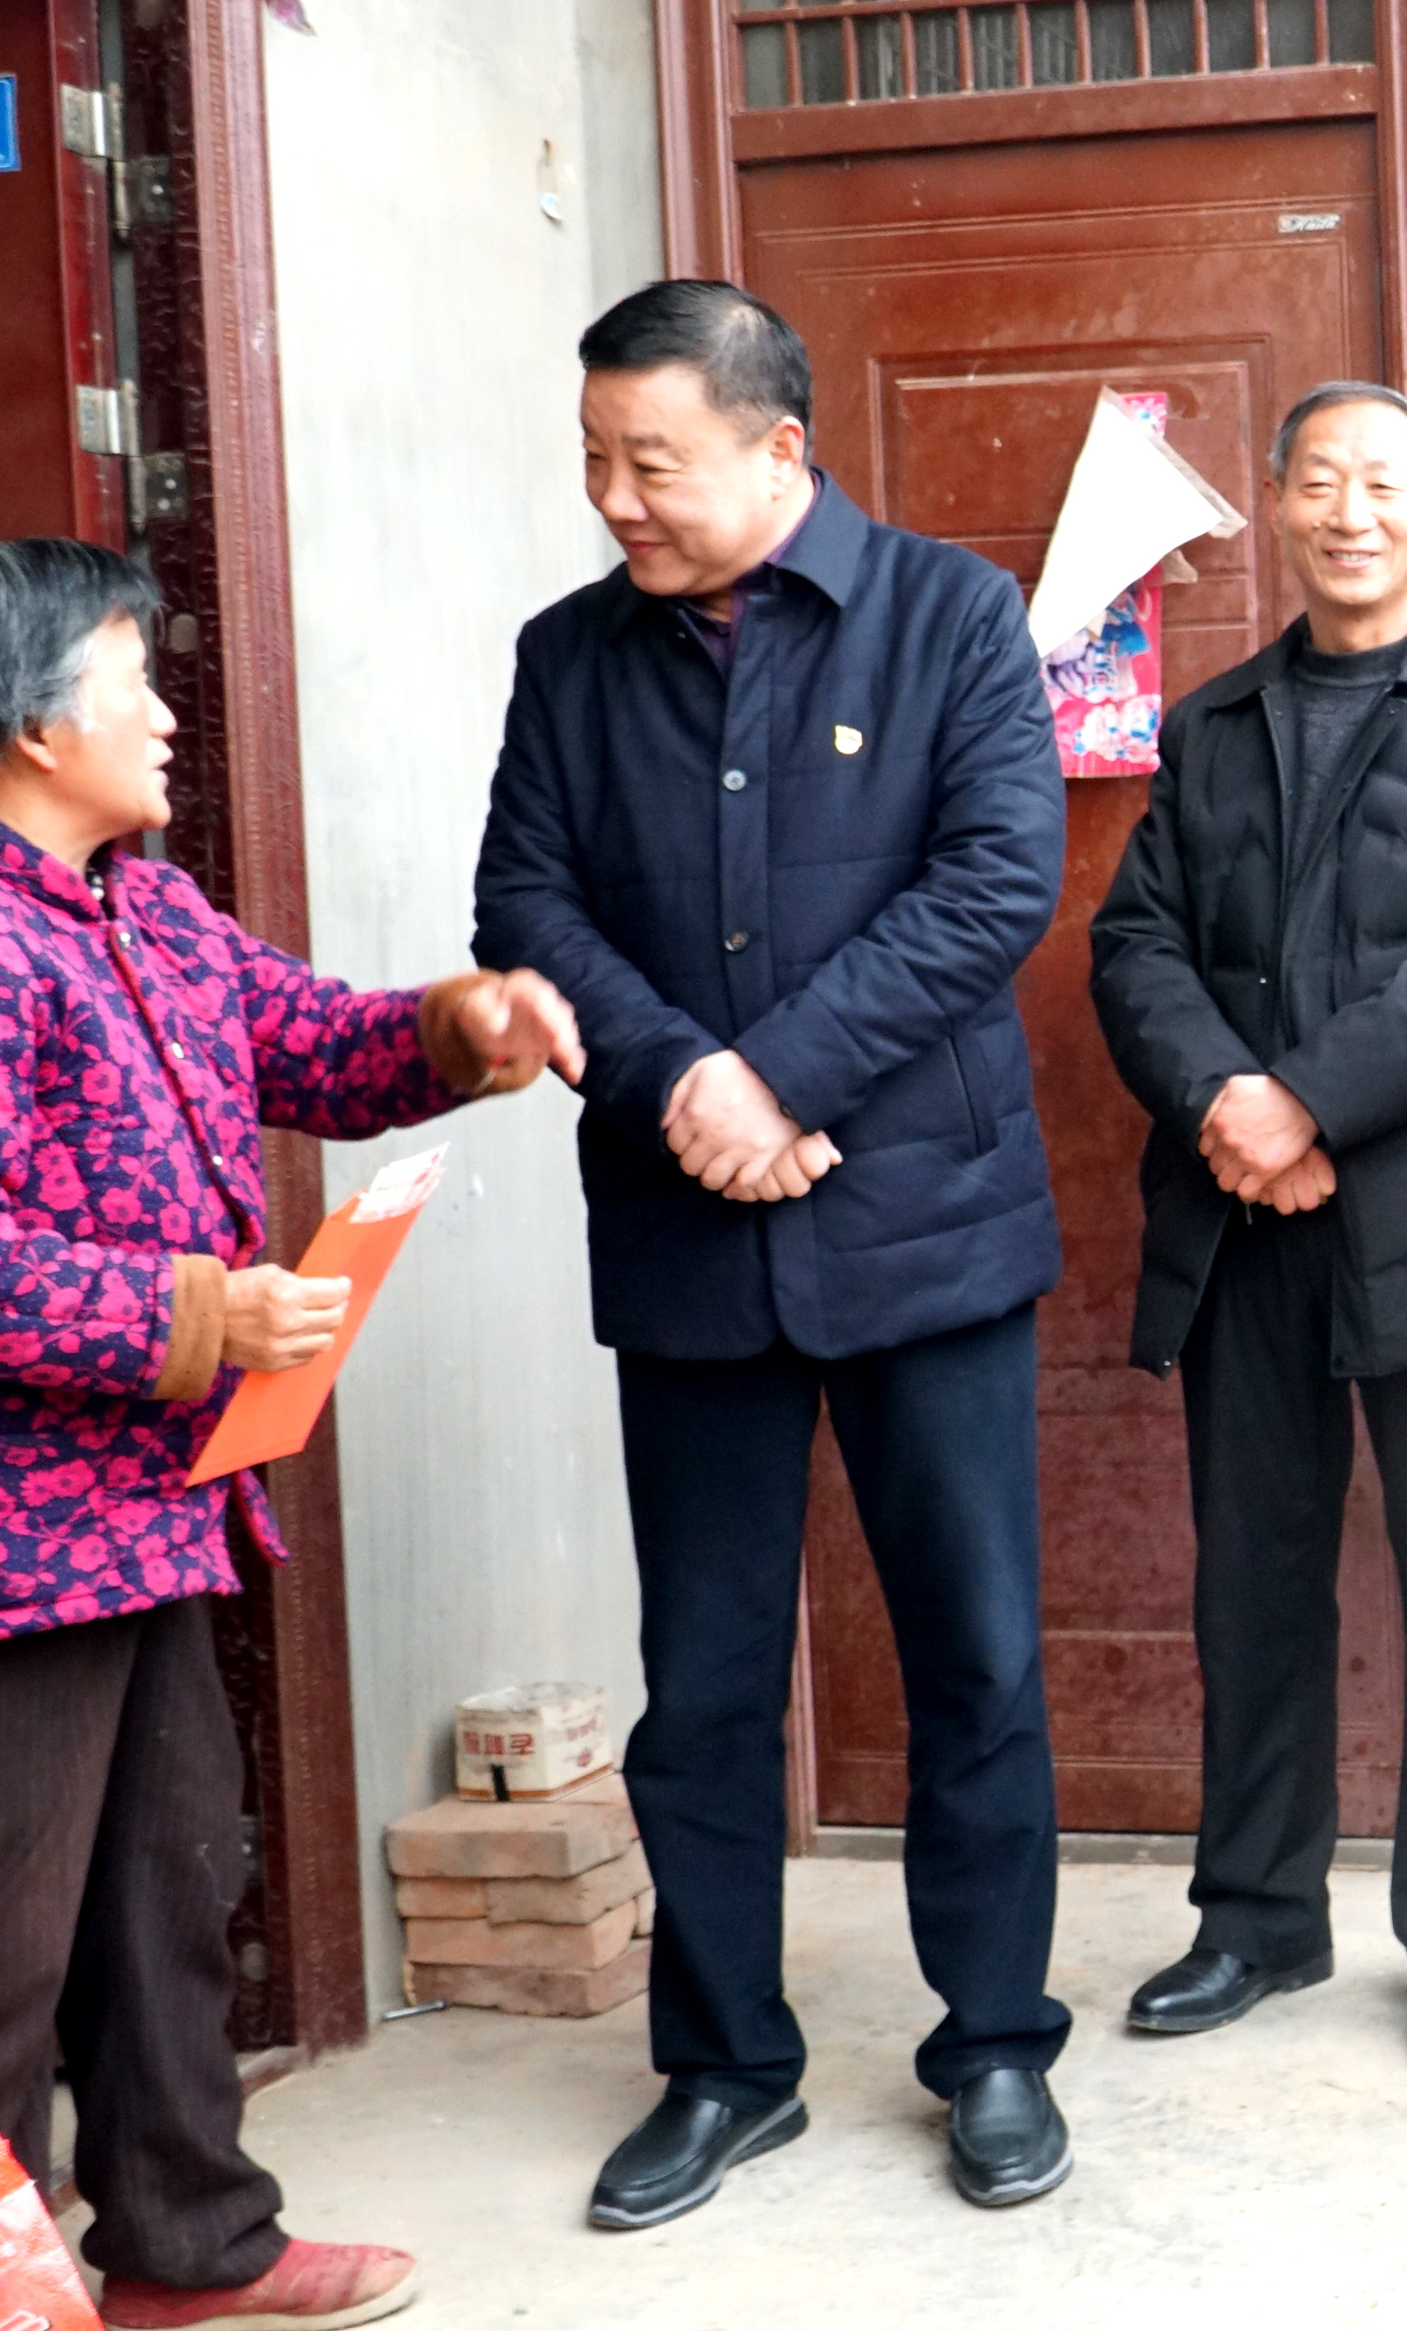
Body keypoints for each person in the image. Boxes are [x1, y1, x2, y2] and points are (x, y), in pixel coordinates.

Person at [0, 538, 581, 2331]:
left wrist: (459, 1027)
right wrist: (199, 1317)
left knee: (164, 1901)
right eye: (132, 678)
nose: (167, 713)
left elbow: (308, 1042)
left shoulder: (135, 904)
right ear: (33, 725)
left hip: (127, 1520)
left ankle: (189, 2248)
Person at [470, 280, 1075, 2224]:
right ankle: (726, 2065)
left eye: (648, 462)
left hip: (922, 1228)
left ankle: (995, 2043)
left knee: (974, 1655)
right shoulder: (570, 657)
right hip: (687, 1235)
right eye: (593, 461)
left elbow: (997, 878)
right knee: (706, 1680)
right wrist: (688, 1083)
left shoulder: (950, 616)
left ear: (778, 447)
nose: (613, 500)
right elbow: (524, 903)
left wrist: (785, 1075)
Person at [1087, 380, 1407, 2062]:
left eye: (1384, 482)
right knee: (1255, 1576)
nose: (1350, 511)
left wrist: (1303, 1102)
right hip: (1245, 1220)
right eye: (1320, 481)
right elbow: (1135, 946)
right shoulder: (1215, 723)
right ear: (1281, 504)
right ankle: (1256, 1920)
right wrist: (1228, 1105)